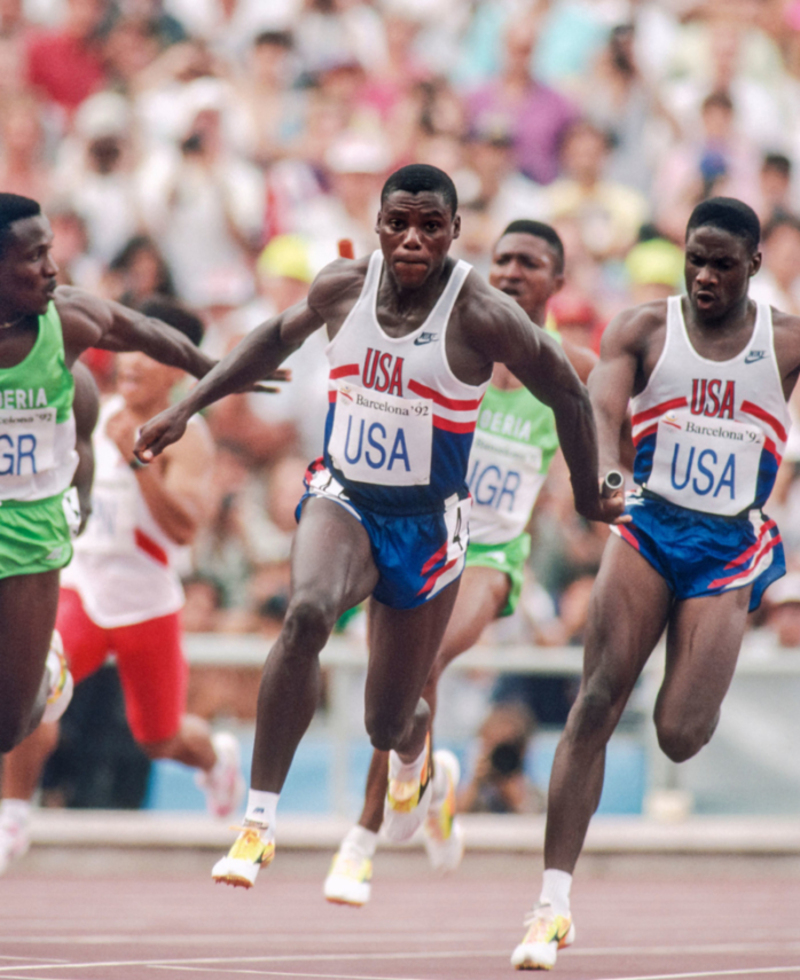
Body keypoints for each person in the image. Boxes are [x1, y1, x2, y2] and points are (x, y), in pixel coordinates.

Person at [135, 164, 624, 891]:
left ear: (455, 231)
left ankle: (418, 758)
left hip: (428, 528)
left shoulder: (482, 314)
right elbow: (273, 337)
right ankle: (258, 822)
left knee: (387, 721)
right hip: (345, 498)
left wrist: (589, 492)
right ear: (379, 225)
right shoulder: (343, 285)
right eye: (399, 223)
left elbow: (571, 396)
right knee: (304, 615)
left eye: (431, 226)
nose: (413, 239)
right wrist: (188, 405)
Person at [511, 197, 796, 970]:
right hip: (650, 524)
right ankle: (551, 904)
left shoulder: (784, 343)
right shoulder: (644, 328)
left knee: (678, 735)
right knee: (596, 698)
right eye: (694, 260)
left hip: (729, 548)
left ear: (754, 268)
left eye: (723, 265)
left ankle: (701, 645)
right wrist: (605, 468)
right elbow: (601, 404)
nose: (705, 276)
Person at [322, 219, 596, 907]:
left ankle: (363, 834)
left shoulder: (573, 368)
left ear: (557, 283)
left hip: (491, 552)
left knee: (425, 659)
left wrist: (607, 490)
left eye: (529, 262)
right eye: (501, 258)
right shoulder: (452, 342)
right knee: (393, 686)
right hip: (416, 530)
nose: (509, 271)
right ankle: (435, 784)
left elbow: (619, 427)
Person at [0, 298, 245, 873]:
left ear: (176, 367)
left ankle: (216, 758)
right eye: (127, 350)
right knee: (28, 690)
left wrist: (136, 461)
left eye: (147, 353)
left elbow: (185, 528)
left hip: (146, 604)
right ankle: (13, 813)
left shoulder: (191, 436)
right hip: (81, 592)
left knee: (158, 738)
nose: (131, 363)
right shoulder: (95, 406)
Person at [0, 192, 216, 761]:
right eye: (34, 256)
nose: (52, 268)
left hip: (36, 530)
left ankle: (46, 671)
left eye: (51, 251)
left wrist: (215, 372)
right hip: (87, 585)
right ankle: (13, 822)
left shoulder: (65, 322)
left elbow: (144, 330)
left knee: (13, 728)